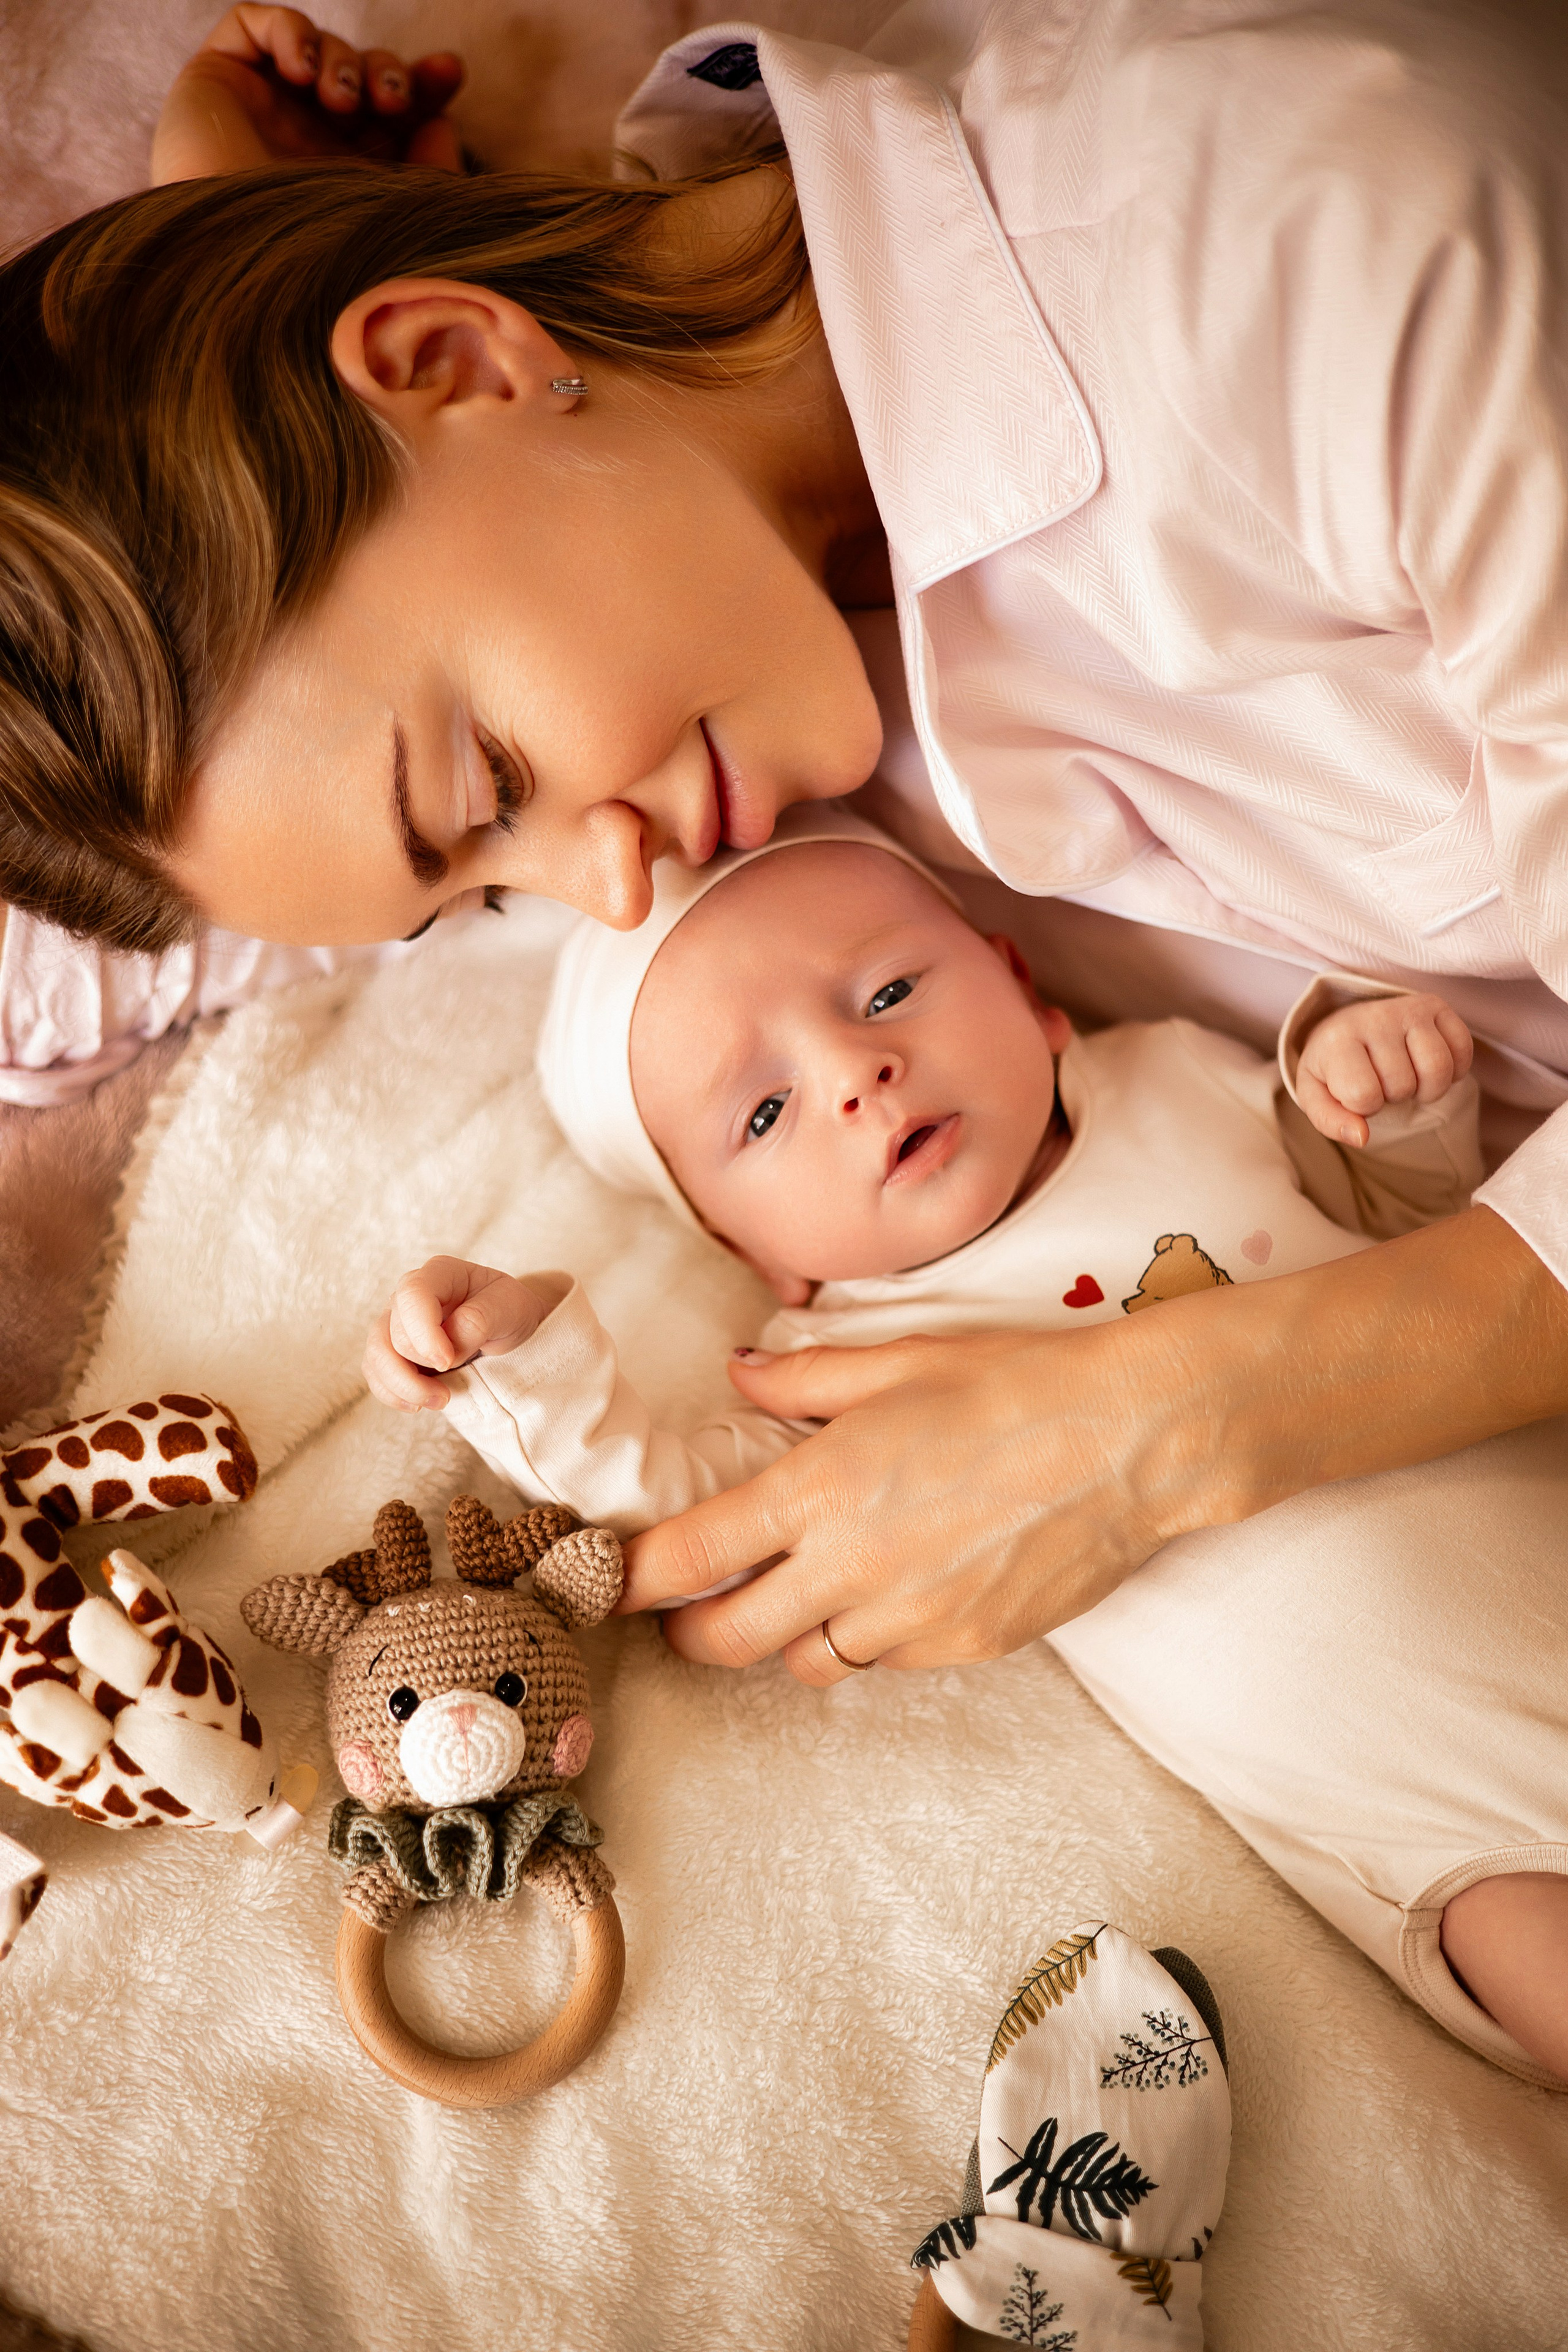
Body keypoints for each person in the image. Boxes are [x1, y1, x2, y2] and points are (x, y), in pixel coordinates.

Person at [2, 5, 1567, 2035]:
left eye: (482, 786)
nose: (611, 887)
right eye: (486, 887)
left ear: (462, 357)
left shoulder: (1316, 251)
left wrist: (1162, 1431)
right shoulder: (693, 571)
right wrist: (222, 247)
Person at [359, 806, 1566, 2085]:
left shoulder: (1174, 1075)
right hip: (1441, 1816)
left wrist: (1392, 1091)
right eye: (764, 1115)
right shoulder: (833, 1378)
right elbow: (668, 1516)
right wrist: (520, 1359)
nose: (851, 1070)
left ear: (1026, 987)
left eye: (886, 989)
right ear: (748, 1250)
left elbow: (1415, 1221)